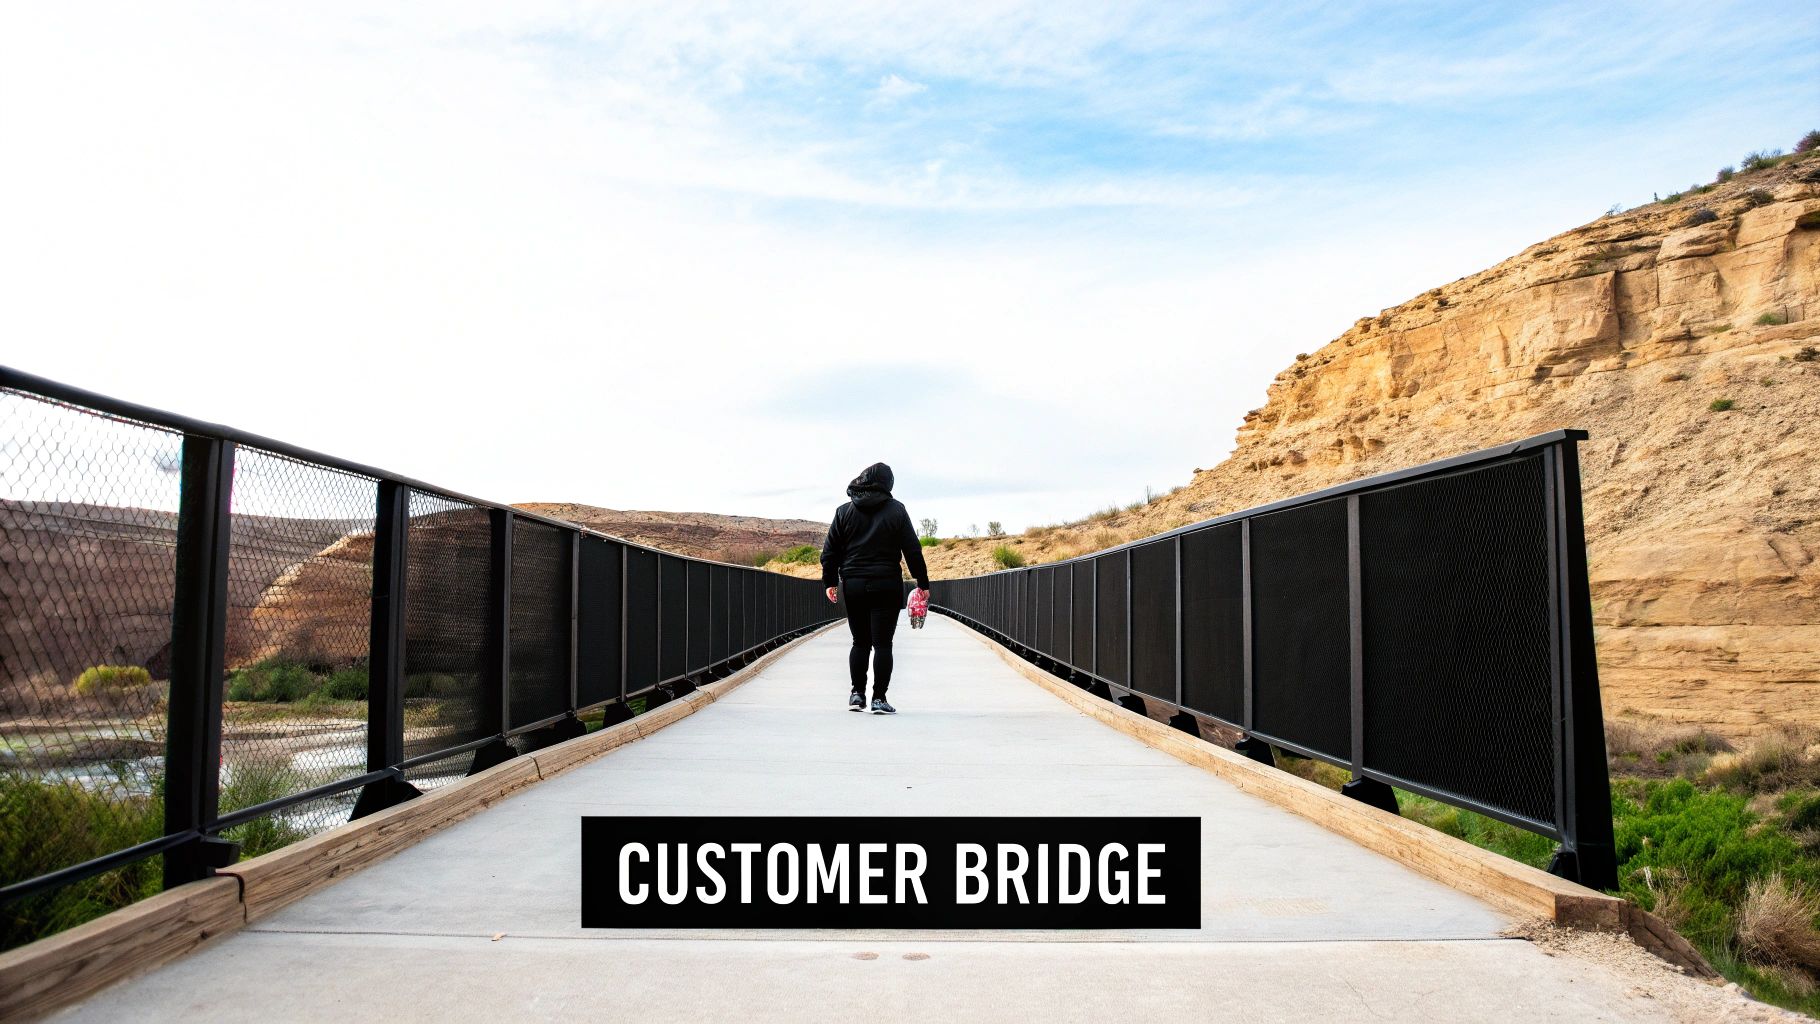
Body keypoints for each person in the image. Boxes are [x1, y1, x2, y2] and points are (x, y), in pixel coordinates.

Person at [820, 462, 930, 715]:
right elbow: (912, 550)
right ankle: (879, 698)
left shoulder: (843, 512)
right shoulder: (896, 511)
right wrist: (922, 583)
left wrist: (829, 582)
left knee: (860, 642)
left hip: (853, 584)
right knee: (883, 644)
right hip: (887, 584)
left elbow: (830, 553)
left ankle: (857, 694)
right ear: (887, 484)